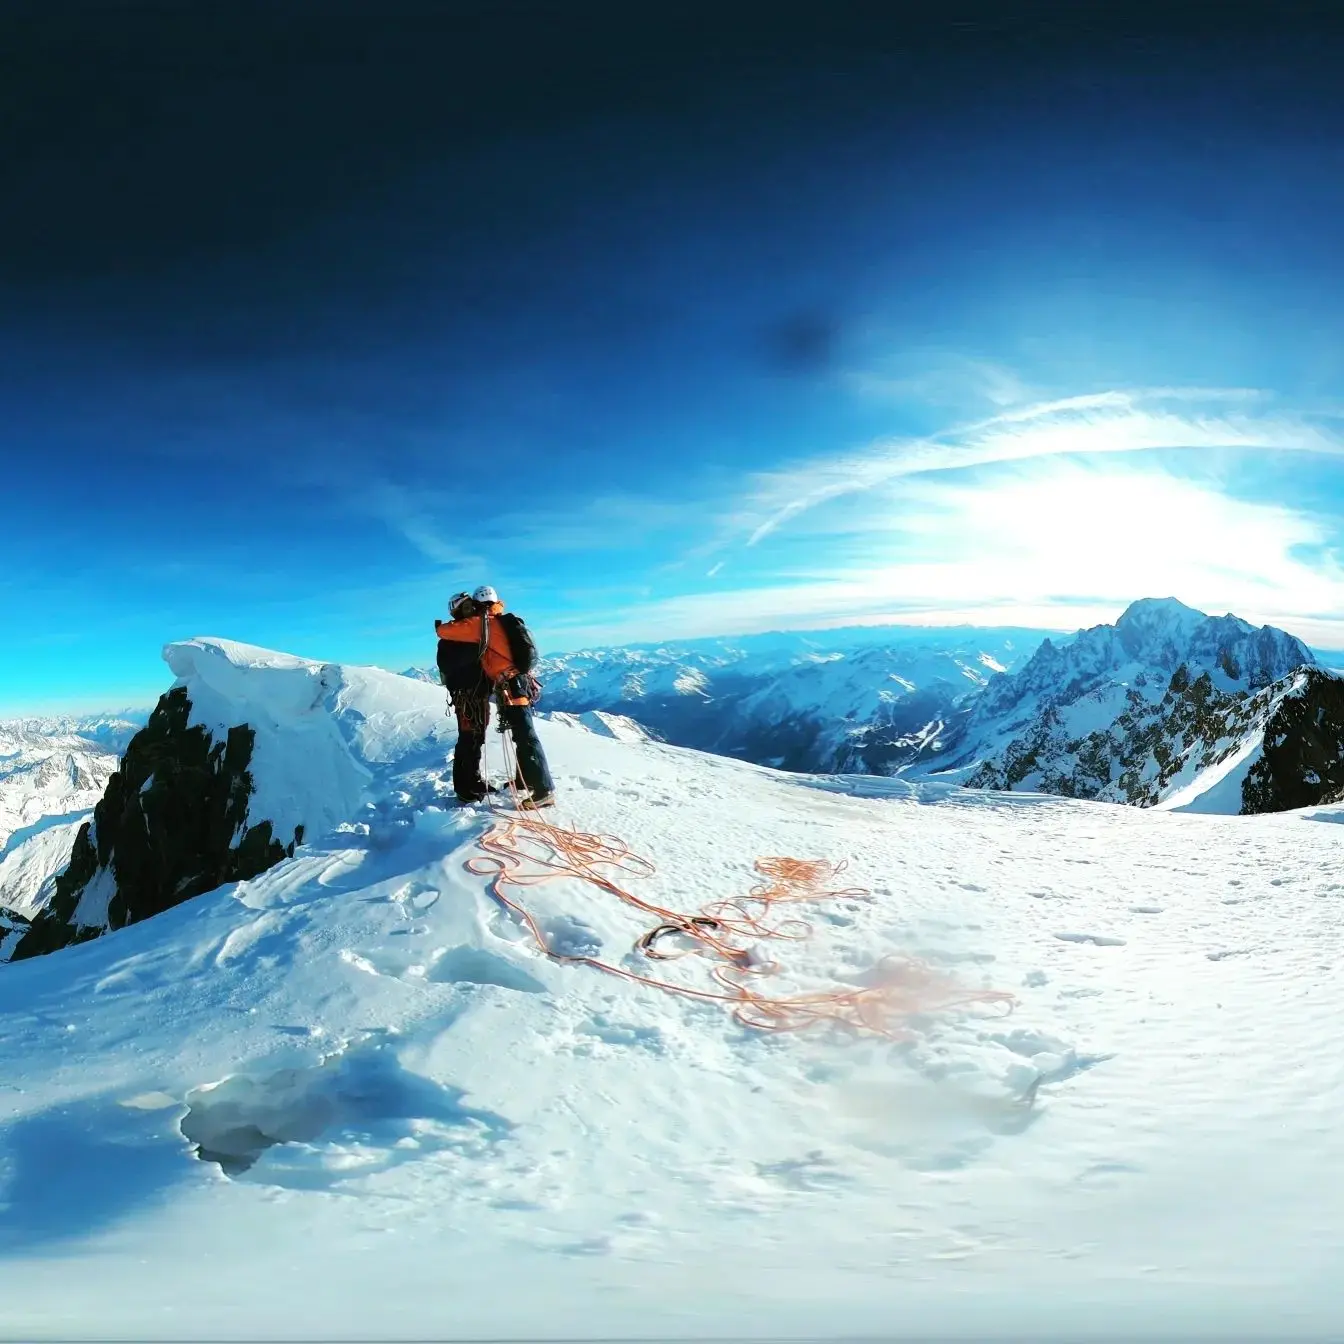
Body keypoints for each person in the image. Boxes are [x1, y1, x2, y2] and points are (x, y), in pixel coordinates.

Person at [435, 584, 556, 809]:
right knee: (518, 734)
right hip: (513, 684)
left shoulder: (482, 624)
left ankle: (542, 788)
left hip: (506, 685)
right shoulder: (504, 621)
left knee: (523, 735)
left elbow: (444, 631)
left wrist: (444, 624)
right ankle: (522, 780)